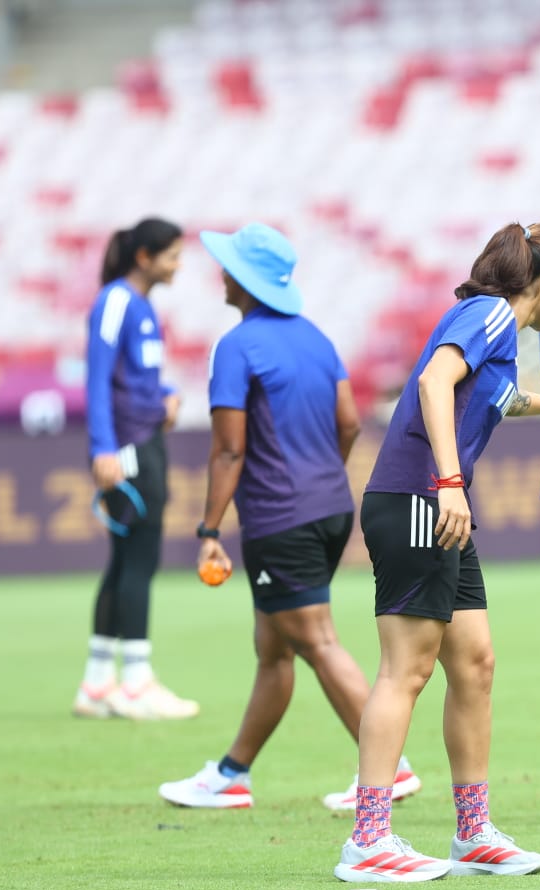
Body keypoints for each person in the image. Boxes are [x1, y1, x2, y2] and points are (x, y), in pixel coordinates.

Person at [334, 222, 540, 884]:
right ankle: (368, 841)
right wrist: (451, 483)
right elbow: (434, 382)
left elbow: (495, 398)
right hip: (420, 501)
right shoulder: (489, 314)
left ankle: (473, 832)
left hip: (436, 507)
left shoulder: (495, 328)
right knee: (407, 671)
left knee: (476, 665)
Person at [156, 223, 420, 811]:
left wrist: (207, 531)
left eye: (229, 267)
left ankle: (392, 768)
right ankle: (232, 773)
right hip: (329, 510)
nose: (221, 274)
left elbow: (229, 449)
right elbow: (349, 422)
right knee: (274, 649)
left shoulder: (236, 347)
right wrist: (324, 474)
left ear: (245, 282)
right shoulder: (316, 338)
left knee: (318, 641)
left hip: (280, 518)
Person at [74, 217, 199, 722]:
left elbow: (135, 381)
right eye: (171, 254)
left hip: (142, 437)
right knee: (140, 557)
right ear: (144, 257)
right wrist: (103, 446)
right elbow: (97, 377)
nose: (178, 263)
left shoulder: (141, 307)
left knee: (125, 558)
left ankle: (98, 681)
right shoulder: (117, 301)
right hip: (127, 447)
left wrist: (164, 397)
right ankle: (136, 682)